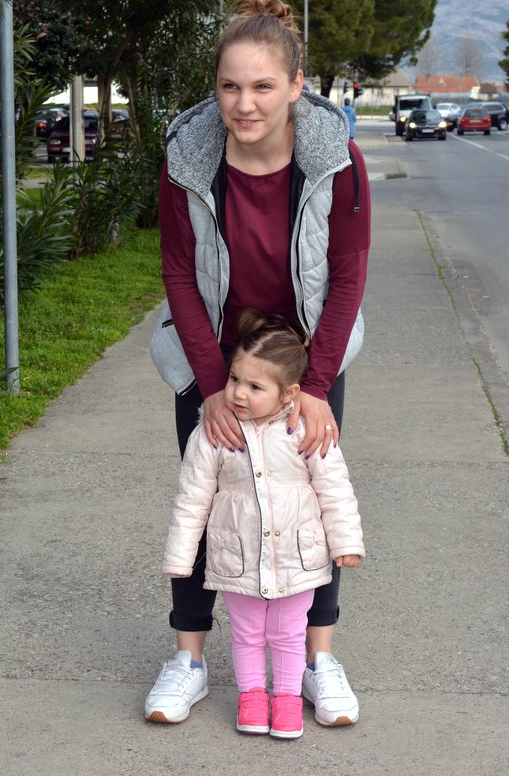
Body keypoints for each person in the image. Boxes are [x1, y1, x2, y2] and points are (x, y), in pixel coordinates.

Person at [146, 0, 370, 728]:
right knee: (209, 501)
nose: (245, 104)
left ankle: (316, 661)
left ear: (297, 85)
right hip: (215, 358)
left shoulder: (337, 162)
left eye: (264, 86)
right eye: (230, 86)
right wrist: (213, 386)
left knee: (310, 506)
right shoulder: (187, 160)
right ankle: (188, 661)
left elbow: (349, 275)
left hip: (306, 361)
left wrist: (318, 384)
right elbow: (179, 273)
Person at [161, 310, 365, 739]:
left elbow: (335, 490)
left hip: (297, 558)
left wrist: (347, 541)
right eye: (235, 379)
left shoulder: (306, 429)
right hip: (238, 559)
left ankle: (287, 697)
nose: (238, 393)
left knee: (289, 633)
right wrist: (180, 557)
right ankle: (252, 696)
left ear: (288, 392)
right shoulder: (213, 432)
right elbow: (191, 500)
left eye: (255, 387)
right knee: (247, 632)